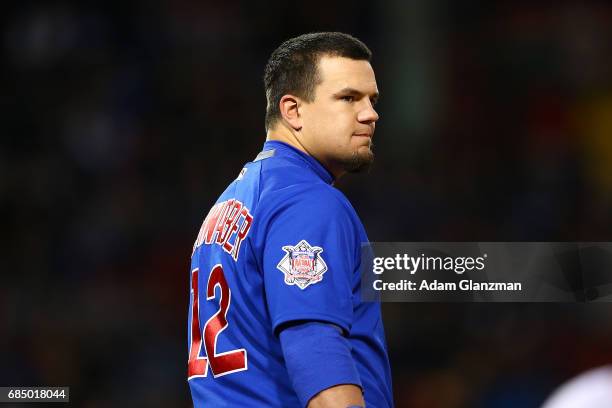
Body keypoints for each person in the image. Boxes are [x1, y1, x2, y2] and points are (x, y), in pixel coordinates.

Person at [187, 32, 393, 407]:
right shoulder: (307, 201)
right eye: (348, 98)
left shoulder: (235, 200)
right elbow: (314, 346)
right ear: (292, 110)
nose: (370, 114)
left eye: (372, 100)